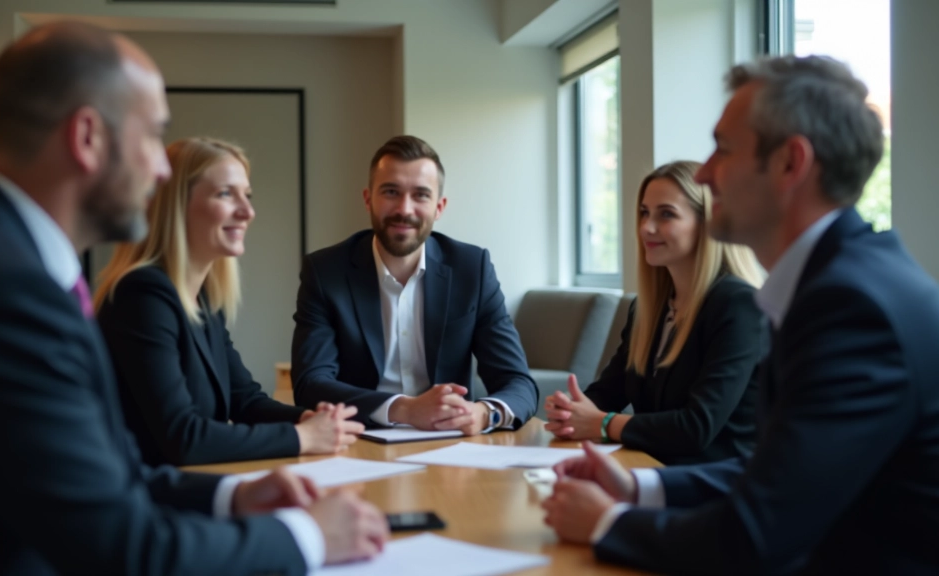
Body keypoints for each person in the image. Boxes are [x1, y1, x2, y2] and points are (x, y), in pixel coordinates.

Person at [0, 22, 387, 575]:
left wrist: (230, 498)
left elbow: (110, 471)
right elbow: (126, 548)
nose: (162, 169)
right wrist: (308, 536)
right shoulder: (4, 291)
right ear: (88, 137)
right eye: (151, 137)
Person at [542, 55, 939, 574]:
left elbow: (759, 533)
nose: (705, 172)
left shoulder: (850, 308)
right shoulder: (840, 282)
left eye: (723, 149)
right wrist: (640, 484)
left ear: (790, 164)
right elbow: (778, 474)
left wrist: (607, 523)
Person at [95, 137, 363, 466]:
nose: (247, 211)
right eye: (225, 193)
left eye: (247, 196)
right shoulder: (141, 297)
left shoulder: (203, 299)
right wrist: (302, 437)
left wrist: (307, 419)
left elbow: (244, 400)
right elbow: (183, 437)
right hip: (151, 502)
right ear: (176, 205)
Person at [291, 135, 538, 434]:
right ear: (368, 199)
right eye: (391, 192)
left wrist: (485, 414)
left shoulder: (472, 269)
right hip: (361, 439)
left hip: (452, 446)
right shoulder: (325, 271)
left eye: (421, 195)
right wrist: (405, 409)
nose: (404, 209)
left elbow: (518, 382)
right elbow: (310, 384)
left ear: (439, 207)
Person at [543, 160, 766, 465]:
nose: (646, 227)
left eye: (666, 214)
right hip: (648, 472)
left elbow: (696, 428)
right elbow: (609, 392)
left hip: (714, 489)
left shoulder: (739, 306)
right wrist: (572, 411)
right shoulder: (648, 309)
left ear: (708, 223)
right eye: (644, 213)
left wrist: (602, 423)